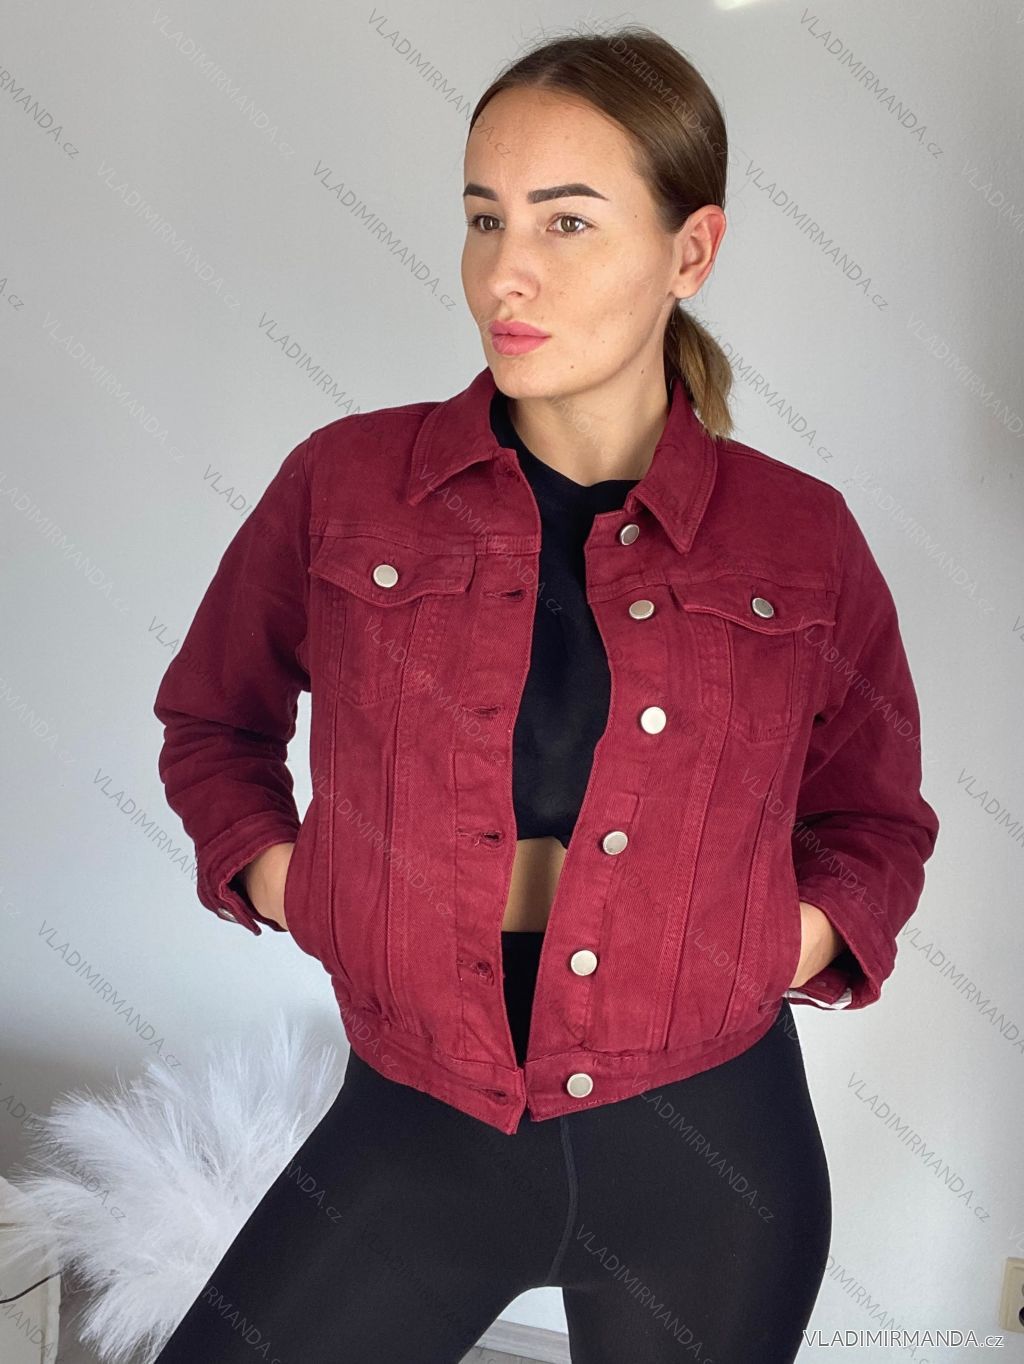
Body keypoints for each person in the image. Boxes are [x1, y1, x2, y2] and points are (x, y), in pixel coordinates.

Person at [152, 24, 939, 1364]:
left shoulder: (800, 538)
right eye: (485, 218)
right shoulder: (347, 485)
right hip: (419, 1121)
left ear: (691, 252)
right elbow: (212, 720)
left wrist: (779, 944)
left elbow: (876, 818)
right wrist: (294, 881)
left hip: (711, 1154)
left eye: (567, 223)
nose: (502, 273)